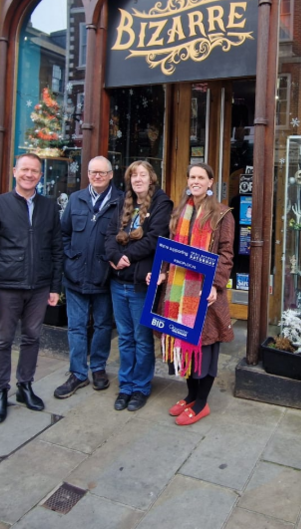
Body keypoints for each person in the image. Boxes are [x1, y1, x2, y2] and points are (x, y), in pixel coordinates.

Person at [0, 153, 63, 424]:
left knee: (32, 338)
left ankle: (25, 386)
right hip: (6, 287)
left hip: (38, 287)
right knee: (2, 341)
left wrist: (54, 287)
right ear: (15, 171)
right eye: (24, 169)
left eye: (35, 171)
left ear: (40, 175)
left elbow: (57, 249)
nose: (29, 174)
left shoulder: (49, 207)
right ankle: (0, 392)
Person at [154, 163, 234, 425]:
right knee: (182, 340)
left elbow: (225, 254)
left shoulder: (222, 214)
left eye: (201, 177)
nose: (195, 181)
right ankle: (189, 395)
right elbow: (171, 248)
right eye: (192, 177)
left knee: (205, 346)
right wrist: (163, 273)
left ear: (211, 182)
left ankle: (201, 403)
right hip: (178, 290)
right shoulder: (179, 211)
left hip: (205, 291)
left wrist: (215, 285)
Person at [104, 161, 173, 411]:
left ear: (151, 179)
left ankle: (141, 387)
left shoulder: (161, 203)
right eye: (134, 175)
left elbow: (155, 239)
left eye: (143, 175)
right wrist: (114, 256)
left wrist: (128, 257)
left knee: (142, 339)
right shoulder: (124, 202)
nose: (138, 179)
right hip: (118, 282)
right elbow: (110, 234)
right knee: (124, 338)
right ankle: (126, 386)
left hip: (140, 284)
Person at [54, 156, 123, 399]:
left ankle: (98, 368)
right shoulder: (76, 199)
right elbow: (63, 233)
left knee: (103, 325)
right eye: (93, 172)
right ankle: (78, 373)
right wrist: (67, 260)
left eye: (102, 173)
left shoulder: (121, 201)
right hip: (75, 276)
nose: (97, 176)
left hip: (104, 276)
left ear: (111, 175)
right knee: (76, 327)